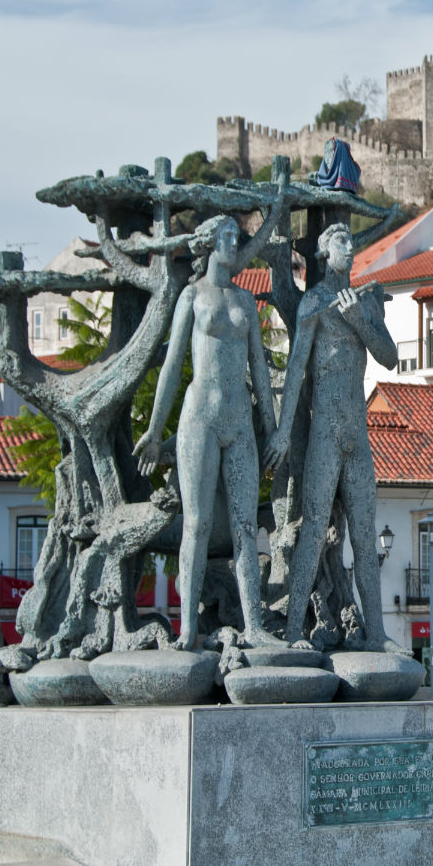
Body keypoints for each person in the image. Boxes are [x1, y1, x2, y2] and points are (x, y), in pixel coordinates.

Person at [134, 215, 282, 649]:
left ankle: (253, 625)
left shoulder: (246, 300)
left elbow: (258, 364)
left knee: (244, 529)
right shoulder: (192, 296)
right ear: (208, 244)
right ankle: (187, 630)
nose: (234, 244)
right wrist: (154, 429)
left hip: (239, 419)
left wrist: (271, 430)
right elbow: (173, 363)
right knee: (195, 525)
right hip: (199, 417)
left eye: (238, 237)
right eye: (226, 237)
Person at [269, 223, 401, 651]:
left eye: (350, 240)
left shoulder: (363, 302)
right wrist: (283, 432)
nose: (350, 247)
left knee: (365, 537)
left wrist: (359, 320)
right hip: (325, 431)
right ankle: (292, 633)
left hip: (357, 436)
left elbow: (391, 358)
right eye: (341, 240)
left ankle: (377, 635)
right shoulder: (314, 301)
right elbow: (295, 372)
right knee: (312, 532)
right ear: (326, 253)